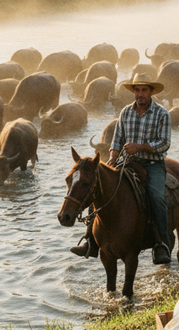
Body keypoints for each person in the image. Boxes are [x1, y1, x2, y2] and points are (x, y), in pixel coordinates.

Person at [70, 72, 173, 264]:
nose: (140, 94)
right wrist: (113, 156)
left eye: (144, 90)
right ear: (133, 92)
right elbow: (117, 139)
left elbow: (164, 143)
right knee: (97, 187)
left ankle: (162, 244)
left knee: (156, 197)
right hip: (125, 161)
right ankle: (90, 241)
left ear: (151, 92)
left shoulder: (162, 114)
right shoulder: (126, 112)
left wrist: (140, 147)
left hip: (152, 164)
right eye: (137, 90)